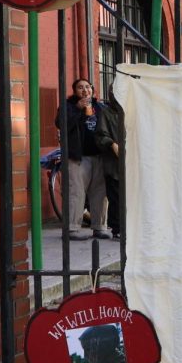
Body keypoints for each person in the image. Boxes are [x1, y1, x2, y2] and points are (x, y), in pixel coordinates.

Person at [56, 78, 111, 241]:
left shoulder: (99, 107)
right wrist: (78, 109)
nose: (85, 90)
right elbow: (60, 124)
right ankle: (71, 229)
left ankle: (99, 227)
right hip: (78, 157)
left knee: (100, 193)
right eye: (80, 87)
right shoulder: (68, 106)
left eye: (88, 87)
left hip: (99, 156)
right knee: (76, 192)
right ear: (75, 91)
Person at [95, 90, 125, 239]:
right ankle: (118, 228)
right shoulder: (106, 113)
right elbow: (101, 135)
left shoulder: (131, 110)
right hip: (113, 163)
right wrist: (112, 144)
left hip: (131, 161)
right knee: (116, 197)